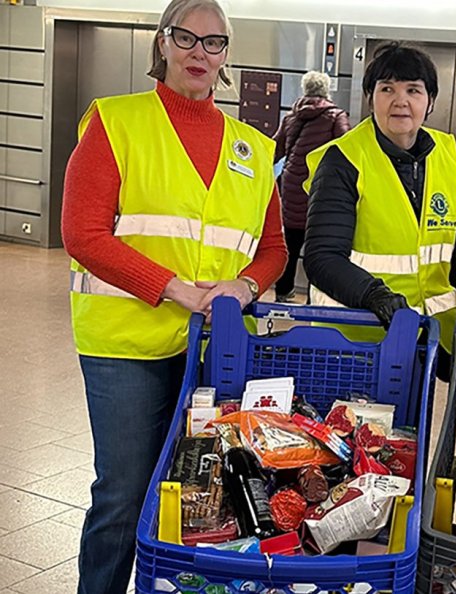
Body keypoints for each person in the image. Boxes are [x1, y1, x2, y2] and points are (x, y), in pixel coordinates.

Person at [61, 0, 287, 591]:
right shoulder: (116, 121)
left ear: (227, 58)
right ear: (162, 43)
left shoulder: (253, 148)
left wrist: (243, 285)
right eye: (186, 37)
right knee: (124, 492)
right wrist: (174, 289)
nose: (199, 52)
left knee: (202, 500)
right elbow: (82, 233)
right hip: (126, 344)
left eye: (214, 43)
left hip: (216, 352)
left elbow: (273, 249)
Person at [303, 42, 456, 365]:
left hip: (427, 337)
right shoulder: (344, 159)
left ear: (430, 100)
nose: (400, 101)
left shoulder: (446, 154)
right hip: (354, 340)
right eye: (387, 88)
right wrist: (374, 295)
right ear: (371, 97)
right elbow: (322, 257)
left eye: (413, 90)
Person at [272, 70, 350, 302]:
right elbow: (347, 149)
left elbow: (275, 150)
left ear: (305, 90)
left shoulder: (291, 117)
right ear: (326, 90)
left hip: (292, 188)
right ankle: (313, 297)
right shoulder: (335, 117)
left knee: (290, 246)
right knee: (319, 251)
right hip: (321, 191)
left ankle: (283, 292)